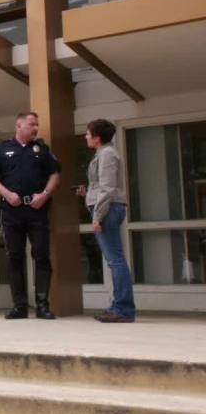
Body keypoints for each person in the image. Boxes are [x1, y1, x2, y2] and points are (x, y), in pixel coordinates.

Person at [0, 112, 60, 320]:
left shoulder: (42, 149)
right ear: (19, 125)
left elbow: (55, 175)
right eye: (31, 124)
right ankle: (19, 306)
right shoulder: (3, 149)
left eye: (37, 124)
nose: (36, 128)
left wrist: (44, 195)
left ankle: (43, 305)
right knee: (14, 257)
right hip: (12, 212)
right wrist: (7, 194)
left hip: (37, 210)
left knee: (42, 255)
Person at [77, 119, 135, 323]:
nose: (85, 136)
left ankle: (123, 309)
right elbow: (101, 186)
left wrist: (97, 216)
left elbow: (108, 188)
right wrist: (87, 194)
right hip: (107, 208)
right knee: (114, 260)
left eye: (88, 133)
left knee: (115, 260)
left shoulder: (107, 154)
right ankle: (118, 307)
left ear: (97, 137)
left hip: (108, 210)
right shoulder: (103, 154)